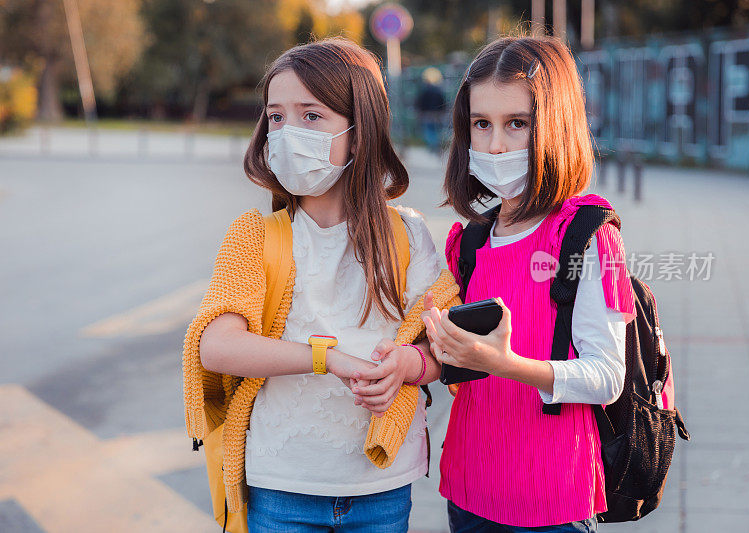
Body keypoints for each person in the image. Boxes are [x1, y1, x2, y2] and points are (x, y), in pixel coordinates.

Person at [183, 38, 459, 533]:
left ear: (360, 132)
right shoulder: (254, 235)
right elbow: (217, 347)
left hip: (382, 485)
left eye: (311, 116)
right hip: (281, 486)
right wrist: (325, 359)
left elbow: (439, 345)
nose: (288, 133)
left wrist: (407, 366)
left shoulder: (409, 234)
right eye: (276, 117)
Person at [422, 36, 637, 532]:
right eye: (482, 124)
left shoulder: (587, 236)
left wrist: (507, 365)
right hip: (470, 485)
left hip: (554, 495)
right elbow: (455, 364)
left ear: (555, 127)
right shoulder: (469, 242)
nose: (495, 144)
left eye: (517, 124)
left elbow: (607, 376)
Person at [415, 67, 446, 154]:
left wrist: (420, 112)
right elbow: (442, 101)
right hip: (437, 114)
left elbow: (420, 102)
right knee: (436, 130)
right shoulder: (439, 90)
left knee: (429, 131)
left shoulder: (424, 90)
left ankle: (433, 146)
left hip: (427, 114)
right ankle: (437, 146)